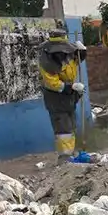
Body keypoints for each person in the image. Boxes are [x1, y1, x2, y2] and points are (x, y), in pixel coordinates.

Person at [37, 29, 85, 161]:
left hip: (69, 98)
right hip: (56, 99)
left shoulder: (67, 54)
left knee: (71, 126)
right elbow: (52, 83)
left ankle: (71, 153)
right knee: (63, 129)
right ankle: (65, 157)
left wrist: (82, 51)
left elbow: (76, 61)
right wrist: (71, 87)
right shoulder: (47, 60)